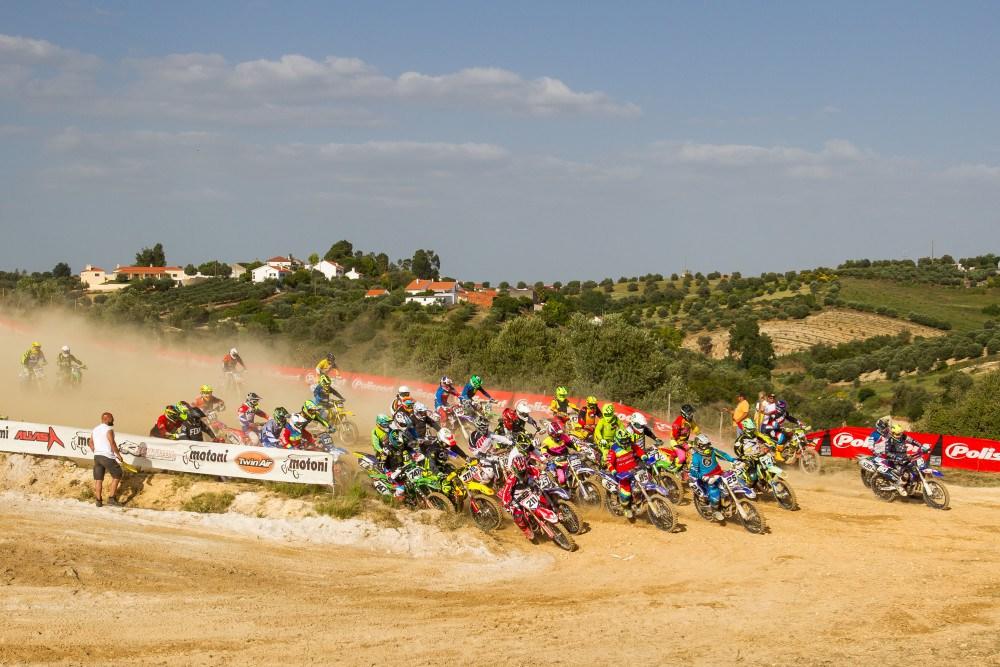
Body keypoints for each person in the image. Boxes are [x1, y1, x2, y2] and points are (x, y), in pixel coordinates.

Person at [688, 434, 736, 521]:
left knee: (731, 486)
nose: (707, 447)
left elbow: (723, 455)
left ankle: (729, 503)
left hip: (718, 474)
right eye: (704, 446)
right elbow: (693, 471)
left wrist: (734, 460)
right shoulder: (696, 456)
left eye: (707, 445)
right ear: (699, 446)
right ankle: (714, 511)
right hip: (707, 479)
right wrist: (703, 478)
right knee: (715, 494)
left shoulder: (712, 450)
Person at [606, 428, 648, 519]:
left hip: (634, 470)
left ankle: (640, 500)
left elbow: (638, 450)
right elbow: (609, 462)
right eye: (624, 441)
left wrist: (644, 456)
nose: (626, 442)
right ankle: (626, 508)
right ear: (618, 440)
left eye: (627, 440)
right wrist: (613, 471)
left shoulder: (631, 444)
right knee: (626, 494)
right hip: (622, 475)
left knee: (645, 482)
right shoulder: (614, 449)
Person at [499, 453, 541, 540]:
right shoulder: (511, 479)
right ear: (514, 470)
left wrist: (540, 477)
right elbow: (505, 493)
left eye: (524, 471)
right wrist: (506, 503)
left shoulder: (529, 468)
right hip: (517, 497)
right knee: (517, 514)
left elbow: (539, 472)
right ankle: (525, 529)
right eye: (520, 472)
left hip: (530, 490)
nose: (523, 474)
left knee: (544, 495)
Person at [90, 412, 123, 507]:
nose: (113, 420)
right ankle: (112, 498)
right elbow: (112, 443)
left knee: (98, 479)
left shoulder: (95, 429)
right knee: (118, 474)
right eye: (111, 418)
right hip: (107, 456)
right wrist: (118, 455)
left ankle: (98, 500)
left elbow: (90, 443)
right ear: (106, 419)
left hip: (97, 457)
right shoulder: (109, 429)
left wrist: (96, 451)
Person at [884, 424, 923, 493]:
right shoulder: (889, 440)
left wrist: (921, 445)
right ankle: (898, 485)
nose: (900, 435)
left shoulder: (903, 436)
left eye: (900, 433)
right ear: (893, 433)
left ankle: (910, 486)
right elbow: (887, 452)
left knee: (915, 469)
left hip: (904, 459)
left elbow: (912, 441)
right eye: (898, 433)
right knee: (906, 474)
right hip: (894, 461)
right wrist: (896, 457)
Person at [539, 421, 575, 485]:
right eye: (556, 434)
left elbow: (571, 444)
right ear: (550, 433)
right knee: (561, 479)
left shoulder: (563, 436)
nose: (558, 435)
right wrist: (549, 457)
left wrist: (579, 448)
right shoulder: (546, 442)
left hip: (567, 458)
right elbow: (543, 452)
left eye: (559, 433)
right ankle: (566, 491)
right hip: (556, 463)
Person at [668, 404, 699, 470]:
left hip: (683, 441)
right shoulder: (678, 422)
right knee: (682, 456)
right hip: (675, 441)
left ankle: (688, 468)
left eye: (691, 413)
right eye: (690, 413)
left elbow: (696, 429)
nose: (691, 415)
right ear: (684, 414)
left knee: (696, 449)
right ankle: (672, 465)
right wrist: (679, 443)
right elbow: (675, 435)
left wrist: (700, 436)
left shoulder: (690, 421)